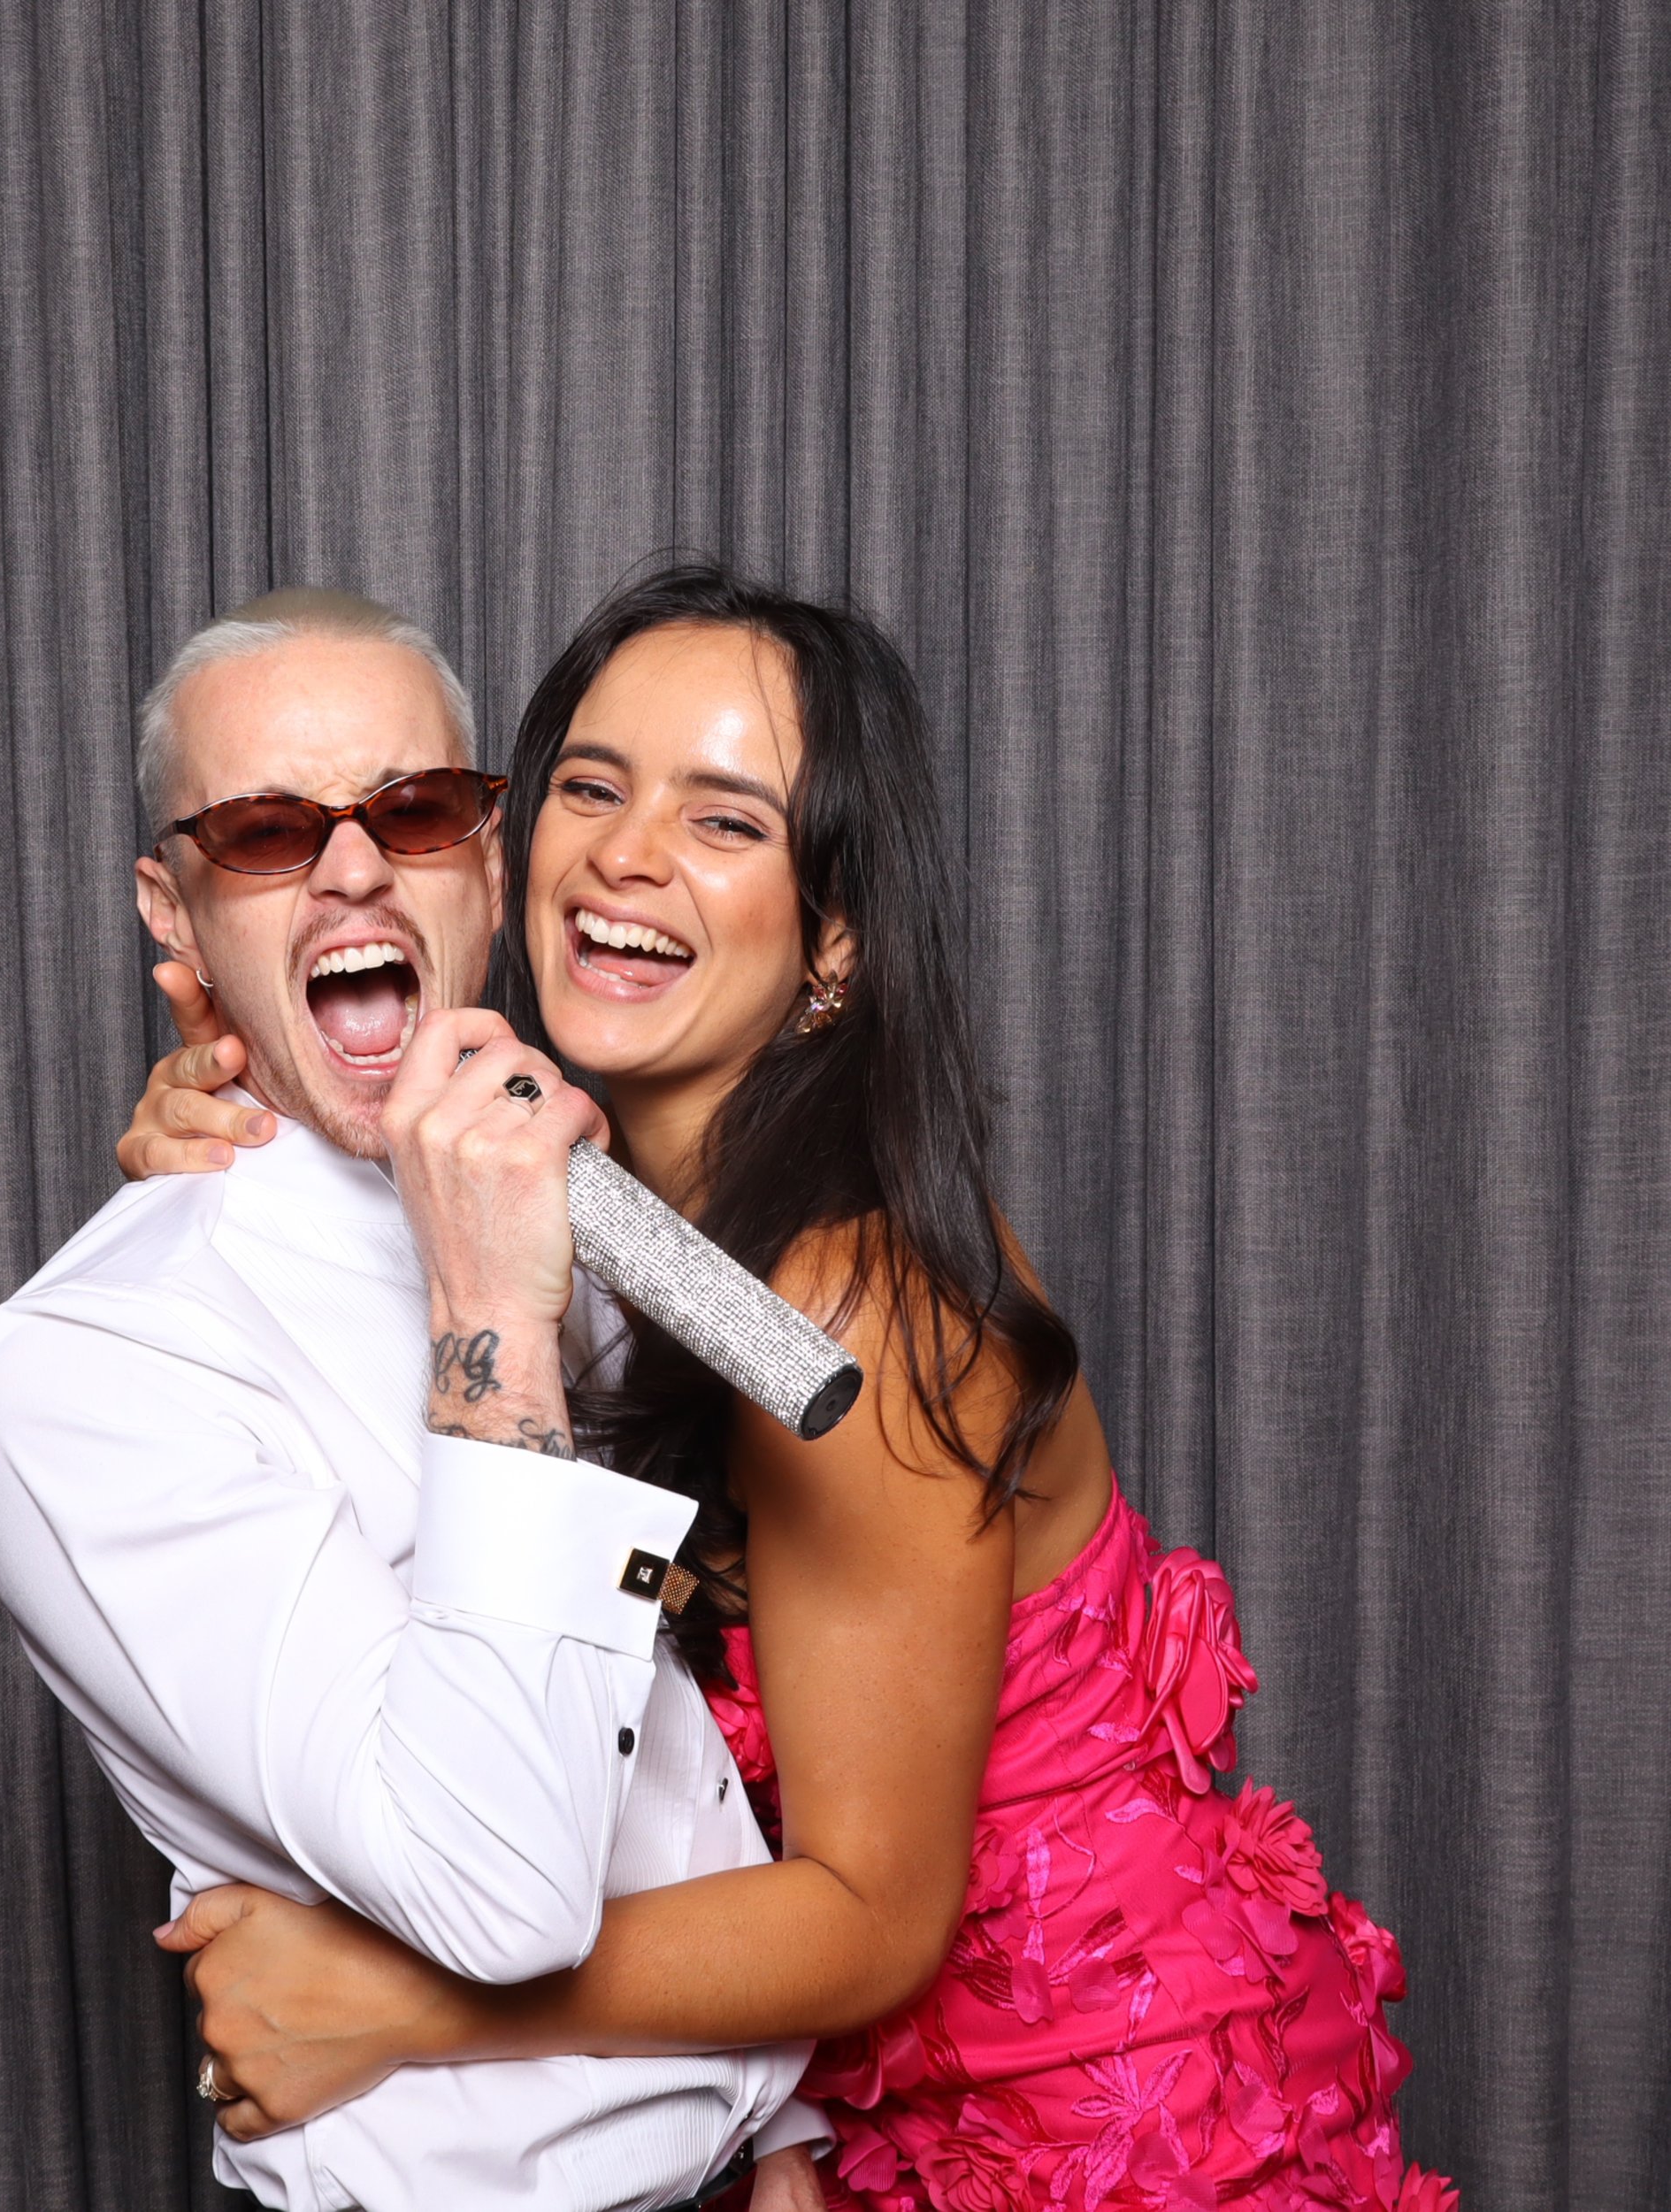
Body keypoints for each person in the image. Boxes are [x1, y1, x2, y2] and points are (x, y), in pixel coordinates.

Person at [125, 565, 1460, 2212]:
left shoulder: (851, 1311)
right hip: (849, 2122)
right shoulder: (595, 1209)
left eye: (726, 820)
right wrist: (227, 1094)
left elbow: (870, 1917)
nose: (626, 852)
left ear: (833, 938)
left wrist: (395, 2003)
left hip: (1097, 2135)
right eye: (593, 789)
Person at [0, 588, 828, 2212]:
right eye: (271, 831)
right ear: (174, 911)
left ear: (483, 870)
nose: (355, 868)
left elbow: (685, 1705)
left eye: (414, 812)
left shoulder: (595, 1198)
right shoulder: (89, 1373)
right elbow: (499, 1895)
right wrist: (493, 1314)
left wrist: (783, 2129)